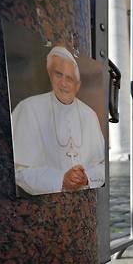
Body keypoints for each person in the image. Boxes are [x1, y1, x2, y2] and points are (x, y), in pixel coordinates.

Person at [12, 46, 105, 195]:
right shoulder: (28, 109)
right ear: (50, 76)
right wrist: (60, 178)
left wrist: (87, 177)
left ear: (78, 85)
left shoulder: (89, 115)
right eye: (58, 75)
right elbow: (20, 171)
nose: (63, 83)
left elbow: (102, 166)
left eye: (69, 78)